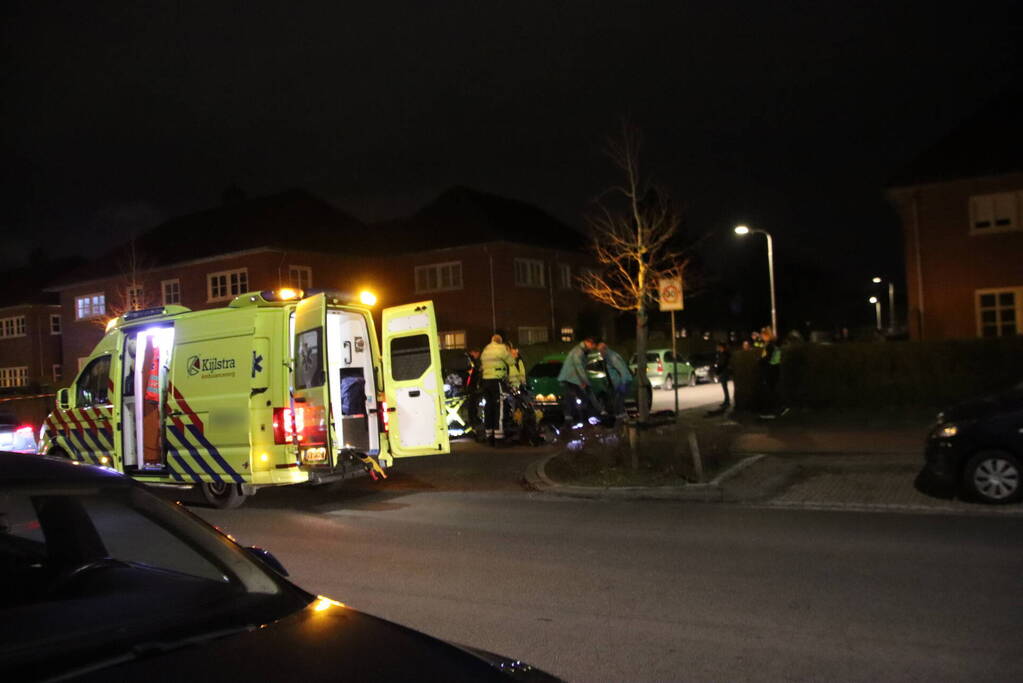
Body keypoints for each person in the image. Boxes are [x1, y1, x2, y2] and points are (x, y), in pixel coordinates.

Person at [480, 335, 515, 442]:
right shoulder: (501, 348)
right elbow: (511, 361)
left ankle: (488, 434)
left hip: (486, 381)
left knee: (488, 407)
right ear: (500, 342)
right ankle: (498, 437)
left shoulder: (485, 349)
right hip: (496, 380)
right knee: (499, 407)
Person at [557, 337, 597, 426]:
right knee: (582, 396)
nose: (592, 348)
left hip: (570, 378)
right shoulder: (579, 351)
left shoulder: (580, 350)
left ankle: (570, 418)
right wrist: (584, 381)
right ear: (588, 343)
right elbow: (579, 367)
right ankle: (584, 418)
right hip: (571, 378)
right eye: (592, 346)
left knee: (570, 397)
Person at [597, 341, 631, 418]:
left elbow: (623, 370)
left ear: (604, 350)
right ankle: (623, 422)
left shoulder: (613, 357)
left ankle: (623, 422)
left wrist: (623, 384)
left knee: (618, 405)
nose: (600, 353)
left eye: (600, 351)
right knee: (617, 405)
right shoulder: (607, 358)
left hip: (621, 383)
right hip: (616, 384)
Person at [758, 327, 784, 418]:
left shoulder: (769, 346)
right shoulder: (774, 344)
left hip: (770, 371)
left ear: (767, 335)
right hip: (775, 370)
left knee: (770, 391)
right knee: (773, 390)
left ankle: (772, 411)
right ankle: (777, 409)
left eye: (763, 335)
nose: (762, 337)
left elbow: (767, 358)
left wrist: (760, 361)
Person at [713, 341, 732, 409]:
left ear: (721, 347)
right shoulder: (722, 354)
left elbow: (722, 364)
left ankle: (727, 401)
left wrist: (718, 372)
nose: (717, 348)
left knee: (724, 387)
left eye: (718, 347)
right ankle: (726, 400)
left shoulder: (724, 354)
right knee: (724, 387)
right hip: (723, 372)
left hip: (724, 372)